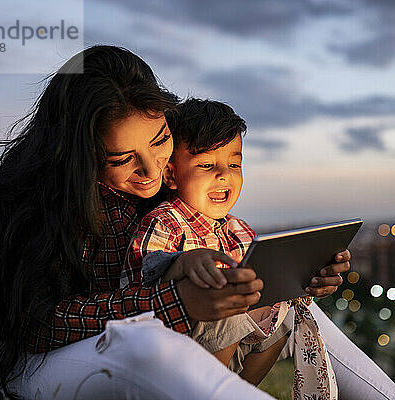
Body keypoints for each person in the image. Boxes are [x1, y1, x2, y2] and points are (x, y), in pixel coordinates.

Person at [0, 46, 351, 400]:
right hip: (32, 362)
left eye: (160, 141)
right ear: (81, 156)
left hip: (132, 345)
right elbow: (39, 323)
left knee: (293, 307)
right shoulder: (41, 203)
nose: (152, 170)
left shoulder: (166, 195)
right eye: (121, 159)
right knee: (141, 343)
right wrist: (177, 301)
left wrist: (295, 277)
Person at [122, 99, 337, 400]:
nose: (223, 174)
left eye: (234, 164)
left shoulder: (239, 231)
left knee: (284, 313)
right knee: (227, 302)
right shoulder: (165, 222)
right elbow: (140, 280)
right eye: (207, 164)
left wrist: (306, 278)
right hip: (176, 350)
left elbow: (266, 283)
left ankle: (237, 391)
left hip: (231, 352)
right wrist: (181, 263)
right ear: (170, 174)